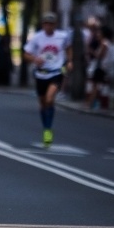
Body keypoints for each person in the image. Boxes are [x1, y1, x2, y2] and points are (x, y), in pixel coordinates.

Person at [22, 11, 72, 147]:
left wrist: (69, 61)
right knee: (43, 103)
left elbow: (68, 48)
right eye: (46, 24)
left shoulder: (62, 36)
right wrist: (34, 59)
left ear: (55, 25)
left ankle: (48, 130)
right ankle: (46, 127)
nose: (48, 26)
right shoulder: (37, 38)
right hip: (40, 74)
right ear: (43, 25)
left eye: (51, 24)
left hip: (56, 72)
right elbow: (26, 54)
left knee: (50, 99)